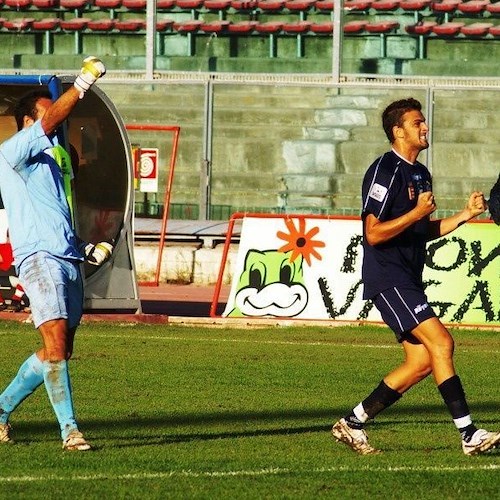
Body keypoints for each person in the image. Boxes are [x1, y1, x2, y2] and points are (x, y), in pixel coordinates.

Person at [331, 97, 500, 456]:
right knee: (442, 343)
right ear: (398, 131)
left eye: (424, 122)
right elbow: (373, 233)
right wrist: (416, 213)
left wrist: (466, 215)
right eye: (417, 122)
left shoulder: (421, 173)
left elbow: (423, 229)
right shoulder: (384, 170)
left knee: (421, 362)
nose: (425, 127)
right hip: (387, 275)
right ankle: (469, 434)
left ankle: (353, 422)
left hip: (408, 275)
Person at [0, 57, 110, 451]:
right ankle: (70, 431)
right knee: (57, 342)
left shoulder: (49, 163)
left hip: (65, 259)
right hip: (38, 259)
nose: (58, 122)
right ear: (29, 122)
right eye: (49, 115)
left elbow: (52, 217)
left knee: (55, 349)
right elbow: (52, 118)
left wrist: (84, 247)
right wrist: (81, 85)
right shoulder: (13, 150)